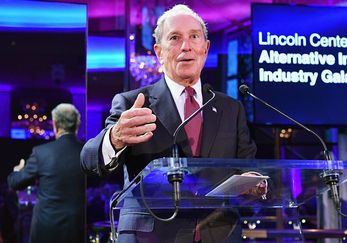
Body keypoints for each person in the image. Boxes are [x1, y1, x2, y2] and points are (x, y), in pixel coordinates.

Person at [80, 4, 257, 243]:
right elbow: (89, 160)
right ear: (159, 51)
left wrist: (254, 185)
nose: (186, 46)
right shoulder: (134, 104)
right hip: (151, 235)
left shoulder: (230, 108)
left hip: (220, 234)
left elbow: (248, 171)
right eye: (175, 38)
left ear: (205, 49)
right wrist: (115, 137)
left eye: (194, 37)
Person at [8, 103, 85, 243]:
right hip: (76, 227)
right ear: (77, 126)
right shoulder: (86, 152)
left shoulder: (41, 152)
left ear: (55, 125)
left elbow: (15, 182)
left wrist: (16, 171)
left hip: (46, 228)